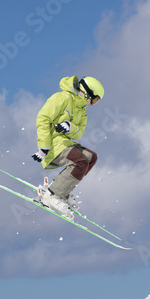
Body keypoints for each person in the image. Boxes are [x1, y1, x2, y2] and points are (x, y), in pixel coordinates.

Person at [31, 75, 104, 217]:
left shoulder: (82, 111)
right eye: (94, 99)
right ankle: (51, 196)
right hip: (53, 145)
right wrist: (44, 146)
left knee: (90, 158)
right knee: (81, 161)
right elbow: (42, 118)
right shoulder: (62, 98)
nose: (92, 104)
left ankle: (63, 191)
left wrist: (69, 127)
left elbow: (79, 132)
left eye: (96, 102)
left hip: (65, 144)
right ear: (86, 92)